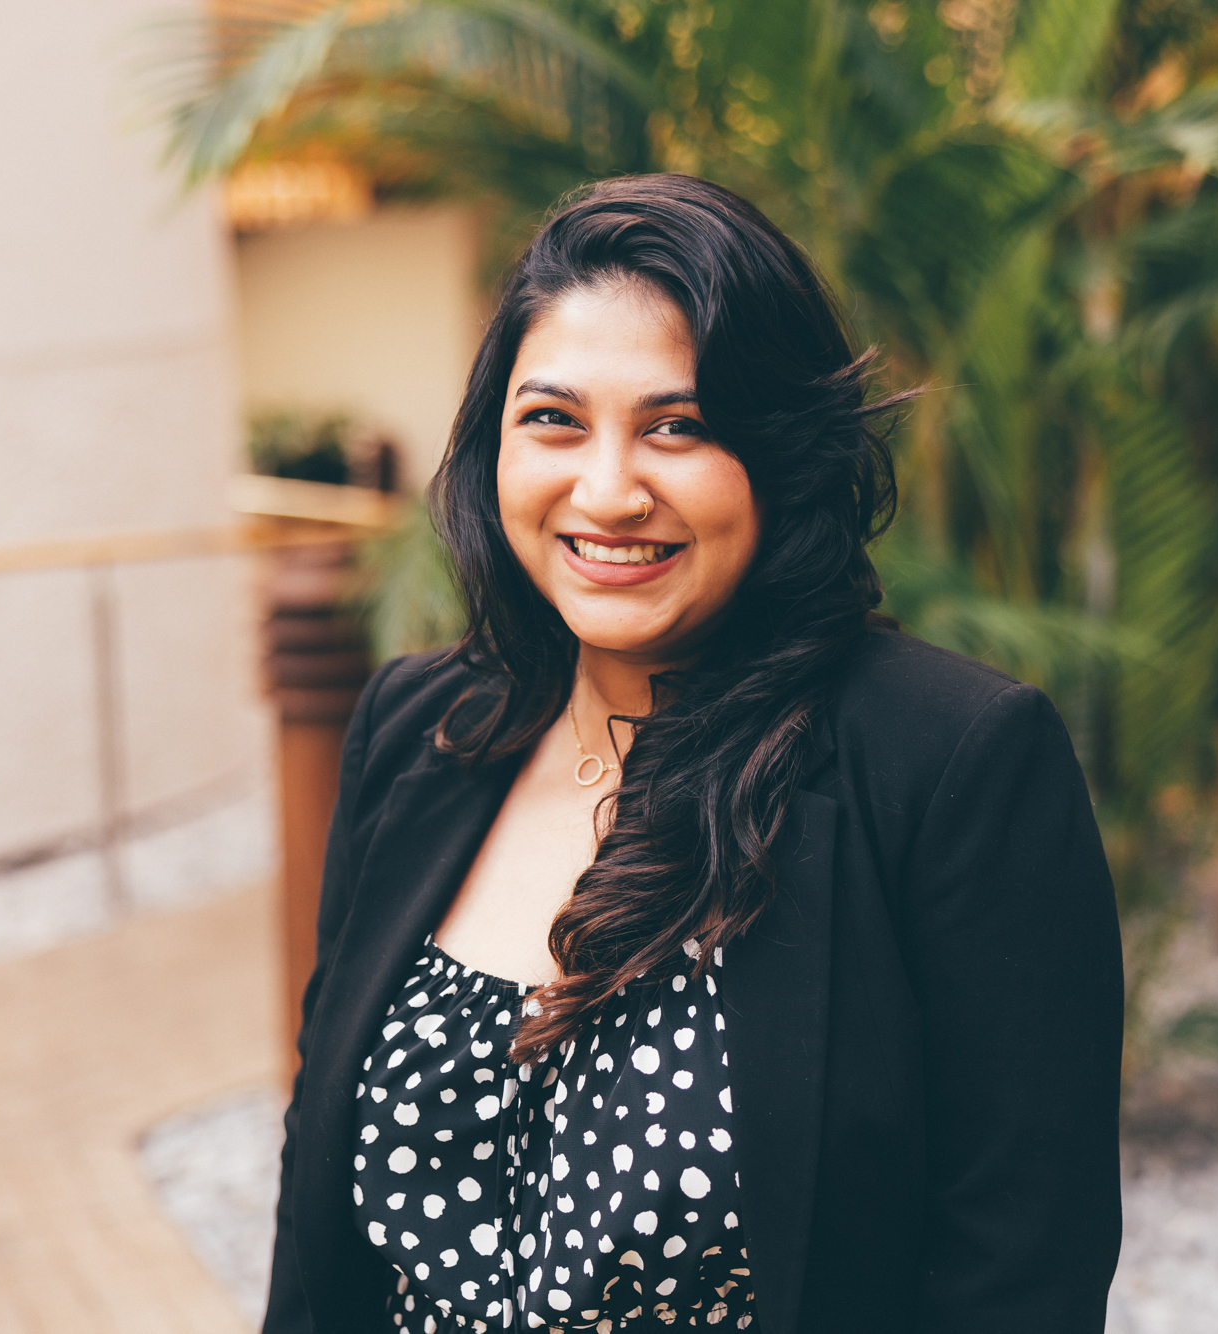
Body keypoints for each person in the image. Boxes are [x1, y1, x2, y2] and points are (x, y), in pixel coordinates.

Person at [265, 174, 1124, 1334]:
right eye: (553, 420)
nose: (608, 490)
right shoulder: (415, 730)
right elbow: (316, 1229)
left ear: (778, 453)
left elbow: (1018, 1272)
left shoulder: (952, 764)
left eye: (679, 425)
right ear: (491, 447)